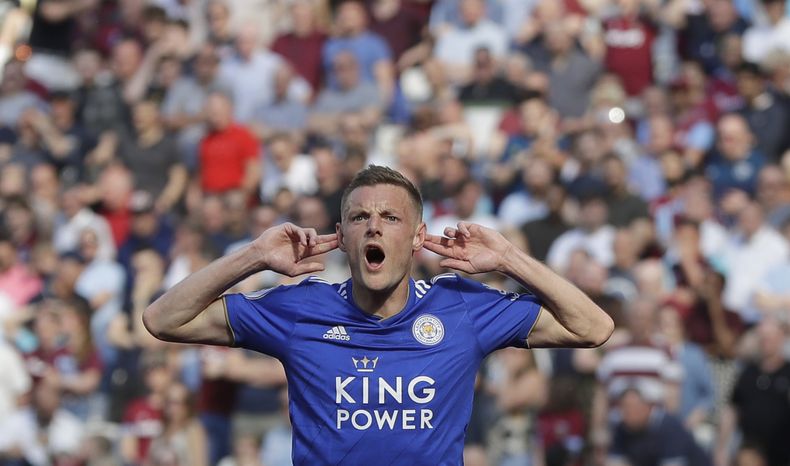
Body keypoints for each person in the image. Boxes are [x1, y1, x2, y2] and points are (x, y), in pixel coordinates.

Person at [143, 165, 614, 464]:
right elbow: (164, 319)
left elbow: (593, 327)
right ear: (343, 235)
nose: (373, 226)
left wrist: (510, 259)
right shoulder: (302, 308)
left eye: (390, 217)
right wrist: (253, 256)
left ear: (416, 236)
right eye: (359, 217)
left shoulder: (460, 308)